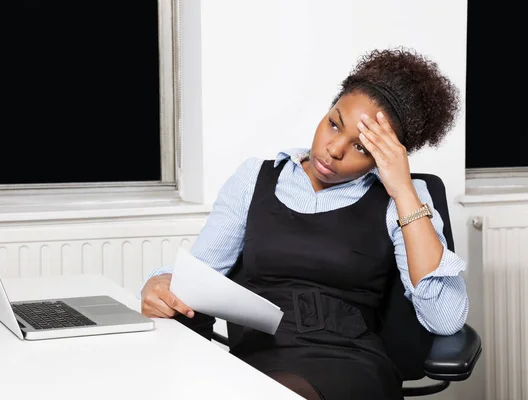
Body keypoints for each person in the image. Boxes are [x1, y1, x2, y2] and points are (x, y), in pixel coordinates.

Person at [139, 47, 469, 400]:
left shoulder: (402, 199)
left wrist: (402, 189)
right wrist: (161, 283)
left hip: (347, 364)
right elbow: (200, 273)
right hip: (256, 361)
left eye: (362, 148)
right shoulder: (256, 178)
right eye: (334, 124)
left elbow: (444, 319)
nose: (333, 150)